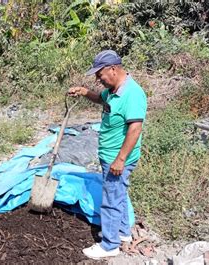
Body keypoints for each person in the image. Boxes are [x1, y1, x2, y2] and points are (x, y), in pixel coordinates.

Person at [68, 50, 147, 260]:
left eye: (99, 74)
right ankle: (123, 234)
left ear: (113, 69)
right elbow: (101, 99)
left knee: (110, 199)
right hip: (110, 156)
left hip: (117, 159)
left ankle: (109, 245)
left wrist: (120, 159)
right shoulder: (113, 90)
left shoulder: (132, 93)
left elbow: (135, 129)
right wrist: (85, 92)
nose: (98, 79)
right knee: (118, 194)